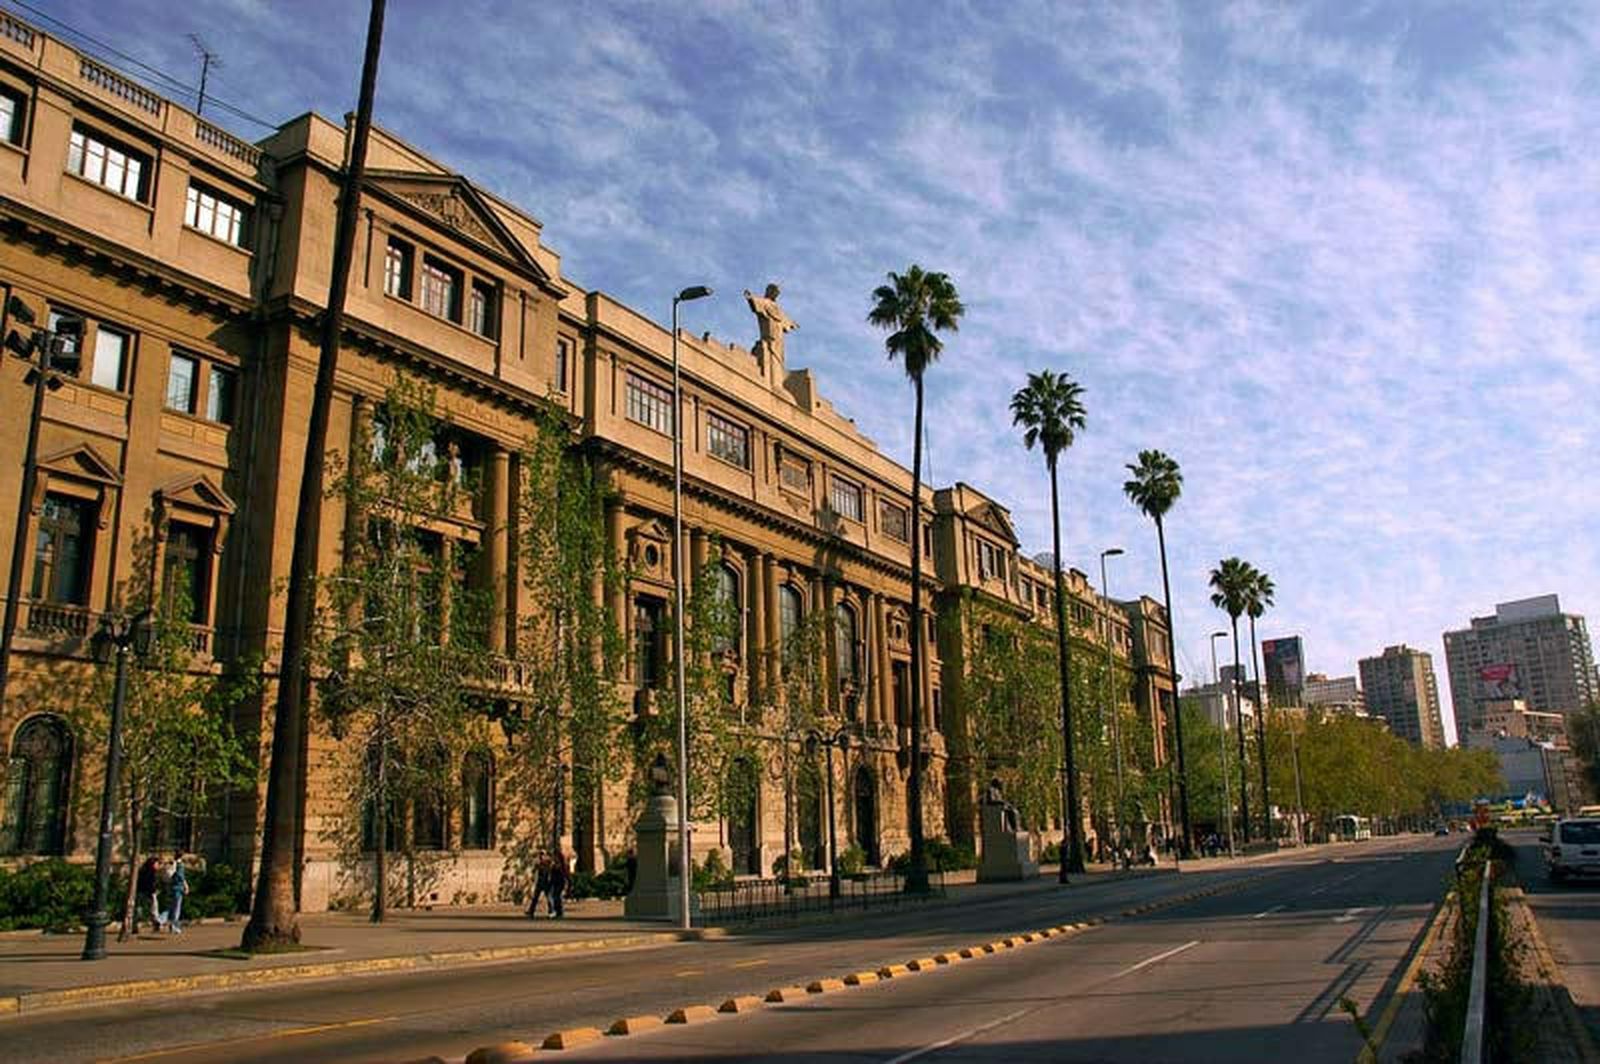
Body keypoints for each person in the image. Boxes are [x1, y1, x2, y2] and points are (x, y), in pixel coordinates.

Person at [136, 854, 166, 933]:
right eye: (157, 863)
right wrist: (154, 891)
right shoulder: (151, 872)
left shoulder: (143, 870)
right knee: (153, 910)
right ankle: (156, 925)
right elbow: (150, 884)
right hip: (148, 893)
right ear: (152, 864)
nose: (158, 865)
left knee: (141, 909)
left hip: (142, 892)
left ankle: (136, 926)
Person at [167, 850, 189, 934]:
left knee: (172, 907)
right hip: (178, 888)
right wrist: (186, 886)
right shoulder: (180, 865)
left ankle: (171, 924)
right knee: (177, 908)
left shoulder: (173, 863)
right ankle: (174, 926)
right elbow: (181, 876)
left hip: (172, 887)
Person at [525, 851, 551, 918]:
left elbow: (548, 872)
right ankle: (531, 911)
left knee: (548, 897)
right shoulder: (540, 863)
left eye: (542, 855)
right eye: (541, 855)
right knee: (535, 898)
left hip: (545, 883)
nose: (541, 856)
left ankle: (551, 911)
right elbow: (534, 871)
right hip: (540, 883)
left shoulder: (547, 863)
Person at [547, 848, 569, 919]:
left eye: (554, 855)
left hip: (560, 882)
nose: (553, 857)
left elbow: (565, 874)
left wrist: (568, 882)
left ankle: (558, 912)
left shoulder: (561, 864)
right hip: (554, 883)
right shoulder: (554, 863)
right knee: (555, 897)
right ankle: (557, 912)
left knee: (556, 897)